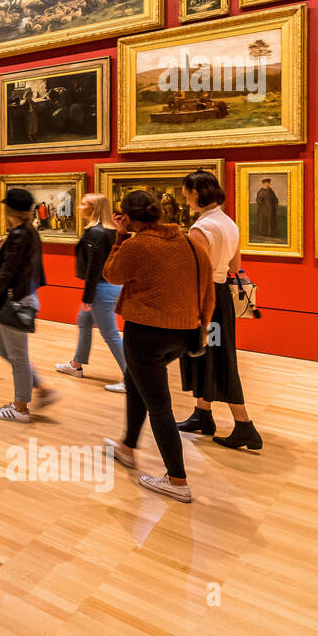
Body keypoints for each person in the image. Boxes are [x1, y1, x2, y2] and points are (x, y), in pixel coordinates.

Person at [102, 190, 215, 503]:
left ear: (128, 216)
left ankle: (177, 480)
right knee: (137, 385)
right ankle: (127, 448)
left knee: (159, 404)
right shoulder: (190, 242)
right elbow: (206, 290)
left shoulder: (137, 244)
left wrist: (119, 238)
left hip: (146, 334)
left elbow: (112, 275)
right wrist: (202, 326)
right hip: (183, 333)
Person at [178, 170, 263, 450]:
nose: (184, 198)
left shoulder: (200, 229)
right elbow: (233, 265)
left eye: (186, 193)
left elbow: (196, 272)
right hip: (222, 295)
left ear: (196, 193)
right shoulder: (228, 223)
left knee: (218, 357)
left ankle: (244, 425)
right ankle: (203, 414)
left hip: (206, 299)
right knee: (211, 355)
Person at [0, 188, 57, 423]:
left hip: (17, 301)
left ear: (10, 211)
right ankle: (41, 389)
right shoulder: (29, 231)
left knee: (18, 356)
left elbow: (8, 271)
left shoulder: (19, 235)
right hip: (21, 298)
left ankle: (20, 408)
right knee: (4, 349)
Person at [56, 193, 127, 392]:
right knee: (84, 321)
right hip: (108, 286)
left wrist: (88, 296)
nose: (79, 207)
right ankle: (76, 364)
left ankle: (132, 378)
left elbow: (94, 267)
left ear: (94, 209)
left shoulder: (96, 232)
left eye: (84, 204)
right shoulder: (109, 230)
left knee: (111, 334)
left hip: (101, 288)